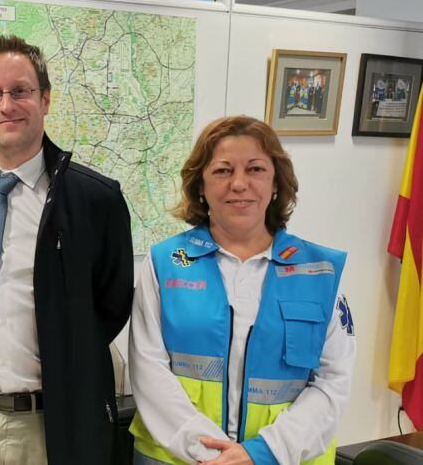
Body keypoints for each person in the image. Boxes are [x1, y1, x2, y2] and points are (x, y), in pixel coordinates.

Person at [0, 34, 135, 464]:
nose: (6, 105)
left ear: (46, 99)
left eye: (20, 91)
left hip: (47, 424)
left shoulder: (96, 200)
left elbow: (110, 307)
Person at [128, 115, 355, 465]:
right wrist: (213, 454)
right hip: (177, 458)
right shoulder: (165, 263)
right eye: (222, 170)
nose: (239, 184)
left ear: (276, 182)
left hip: (283, 458)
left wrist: (260, 454)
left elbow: (332, 382)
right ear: (200, 185)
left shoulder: (321, 271)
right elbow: (148, 371)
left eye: (255, 169)